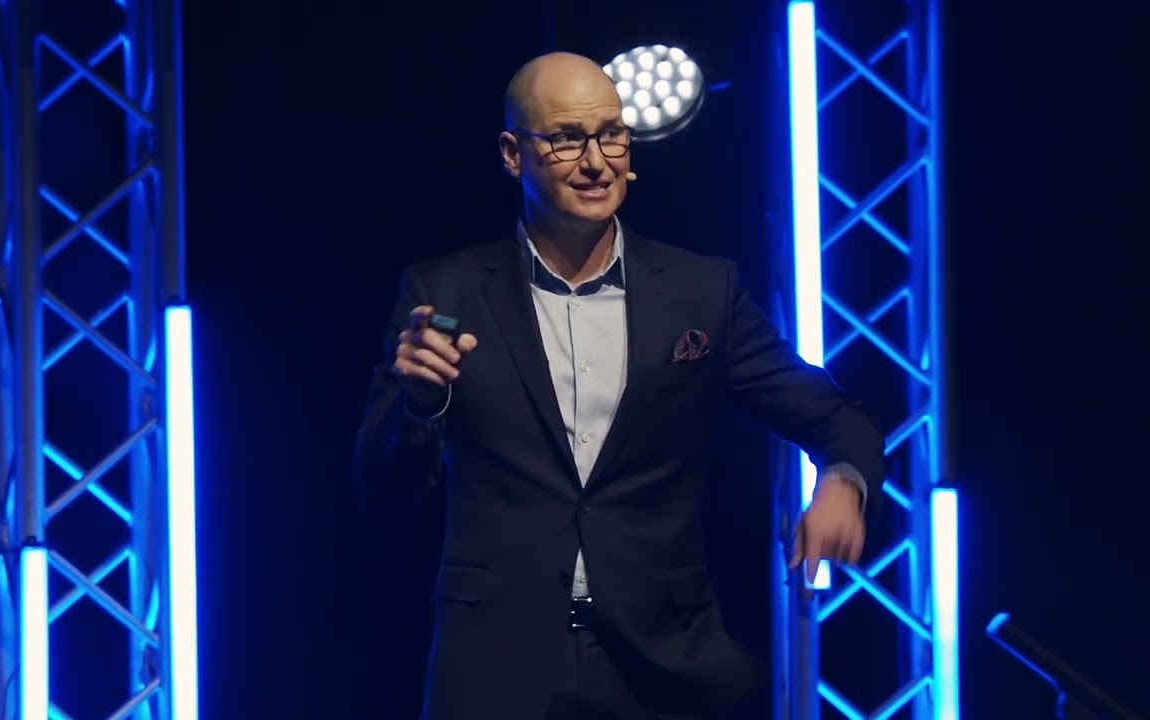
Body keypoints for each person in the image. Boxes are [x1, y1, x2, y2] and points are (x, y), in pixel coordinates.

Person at [353, 51, 885, 720]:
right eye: (568, 138)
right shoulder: (447, 293)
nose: (596, 161)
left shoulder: (699, 293)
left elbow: (839, 418)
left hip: (662, 663)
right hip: (496, 666)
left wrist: (842, 482)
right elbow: (384, 488)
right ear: (514, 155)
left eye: (612, 135)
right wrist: (421, 406)